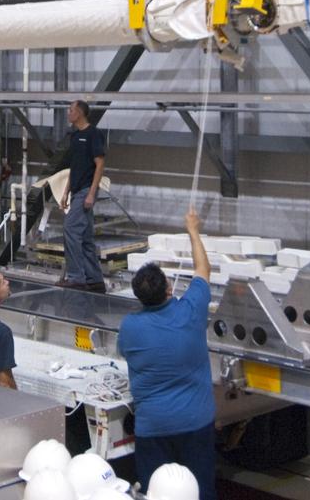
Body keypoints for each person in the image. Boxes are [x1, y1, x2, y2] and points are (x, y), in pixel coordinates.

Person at [116, 208, 216, 500]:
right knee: (200, 490)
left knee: (157, 492)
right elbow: (203, 270)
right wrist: (193, 230)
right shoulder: (191, 311)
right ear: (169, 288)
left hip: (154, 428)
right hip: (196, 423)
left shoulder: (130, 327)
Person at [58, 100, 106, 293]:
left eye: (70, 110)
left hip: (87, 190)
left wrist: (92, 193)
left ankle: (77, 277)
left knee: (70, 229)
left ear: (79, 112)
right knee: (85, 236)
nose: (68, 114)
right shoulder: (75, 136)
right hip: (77, 190)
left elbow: (100, 164)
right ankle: (95, 280)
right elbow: (74, 167)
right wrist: (66, 191)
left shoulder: (93, 134)